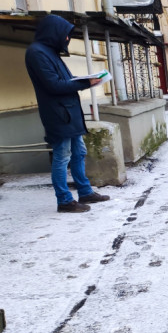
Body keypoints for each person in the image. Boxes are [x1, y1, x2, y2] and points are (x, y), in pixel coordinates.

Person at [25, 14, 109, 213]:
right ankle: (64, 200)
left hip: (69, 113)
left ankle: (85, 191)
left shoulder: (50, 53)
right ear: (54, 33)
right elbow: (54, 85)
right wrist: (85, 83)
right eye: (65, 35)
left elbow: (66, 81)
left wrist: (87, 81)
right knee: (62, 157)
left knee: (79, 153)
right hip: (58, 115)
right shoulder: (37, 53)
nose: (67, 39)